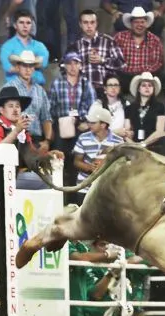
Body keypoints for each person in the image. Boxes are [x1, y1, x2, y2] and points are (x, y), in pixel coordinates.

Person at [0, 86, 63, 189]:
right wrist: (16, 131)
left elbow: (32, 156)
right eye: (11, 106)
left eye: (18, 106)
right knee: (46, 180)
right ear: (2, 110)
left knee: (47, 177)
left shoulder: (22, 131)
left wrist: (48, 155)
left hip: (14, 175)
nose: (15, 110)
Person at [49, 51, 96, 190]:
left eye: (76, 63)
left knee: (76, 161)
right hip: (61, 124)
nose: (73, 67)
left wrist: (86, 122)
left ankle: (75, 193)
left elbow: (92, 106)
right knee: (59, 161)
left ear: (80, 65)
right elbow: (51, 106)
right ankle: (60, 192)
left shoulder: (85, 83)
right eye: (69, 63)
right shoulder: (57, 83)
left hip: (79, 125)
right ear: (65, 66)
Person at [2, 50, 53, 156]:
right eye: (24, 66)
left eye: (31, 66)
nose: (28, 69)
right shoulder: (8, 88)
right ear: (18, 67)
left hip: (36, 139)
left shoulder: (40, 90)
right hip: (16, 138)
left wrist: (47, 141)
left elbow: (46, 118)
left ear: (34, 68)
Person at [73, 102, 124, 203]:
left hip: (107, 189)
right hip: (84, 187)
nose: (89, 124)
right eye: (89, 122)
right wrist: (90, 167)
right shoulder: (83, 138)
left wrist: (105, 167)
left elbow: (121, 164)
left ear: (103, 125)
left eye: (93, 123)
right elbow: (76, 162)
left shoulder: (118, 141)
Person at [69, 9, 126, 95]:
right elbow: (63, 67)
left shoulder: (108, 41)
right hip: (82, 90)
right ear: (80, 24)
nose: (89, 26)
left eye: (92, 22)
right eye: (85, 22)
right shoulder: (75, 45)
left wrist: (103, 60)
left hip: (105, 90)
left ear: (96, 23)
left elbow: (121, 64)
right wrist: (81, 62)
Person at [113, 7, 165, 95]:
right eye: (136, 22)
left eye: (142, 22)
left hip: (145, 78)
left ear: (146, 23)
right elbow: (114, 59)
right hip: (124, 76)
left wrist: (142, 74)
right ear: (131, 23)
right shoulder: (120, 37)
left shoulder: (154, 40)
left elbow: (157, 63)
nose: (139, 25)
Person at [0, 9, 49, 85]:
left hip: (37, 86)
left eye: (28, 23)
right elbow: (8, 67)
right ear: (15, 25)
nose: (25, 26)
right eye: (21, 22)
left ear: (32, 25)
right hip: (15, 89)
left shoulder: (40, 46)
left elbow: (43, 64)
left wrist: (19, 63)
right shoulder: (7, 46)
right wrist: (33, 63)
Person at [125, 72, 165, 145]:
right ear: (139, 89)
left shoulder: (160, 106)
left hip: (154, 147)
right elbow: (127, 131)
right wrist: (133, 145)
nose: (147, 87)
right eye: (144, 85)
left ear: (153, 89)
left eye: (150, 85)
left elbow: (160, 131)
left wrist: (144, 143)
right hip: (134, 147)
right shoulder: (129, 108)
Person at [100, 0, 165, 37]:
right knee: (119, 22)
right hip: (126, 17)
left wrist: (160, 11)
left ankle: (154, 48)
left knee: (159, 22)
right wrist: (113, 11)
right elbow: (104, 2)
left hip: (146, 16)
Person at [98, 74, 133, 141]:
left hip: (121, 143)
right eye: (110, 85)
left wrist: (128, 133)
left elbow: (128, 128)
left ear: (119, 88)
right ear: (105, 88)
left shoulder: (126, 104)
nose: (113, 88)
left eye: (116, 85)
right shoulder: (98, 104)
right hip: (102, 142)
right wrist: (115, 132)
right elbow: (96, 131)